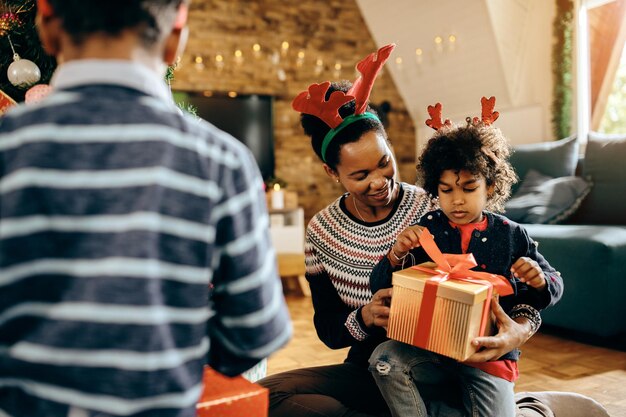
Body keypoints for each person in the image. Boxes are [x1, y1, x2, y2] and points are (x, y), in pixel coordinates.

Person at [0, 1, 291, 416]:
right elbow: (255, 332)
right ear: (176, 39)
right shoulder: (222, 161)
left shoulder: (7, 147)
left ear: (46, 30)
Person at [258, 45, 543, 417]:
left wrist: (519, 331)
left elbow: (511, 274)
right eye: (360, 176)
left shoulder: (435, 205)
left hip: (443, 362)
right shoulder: (322, 231)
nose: (379, 182)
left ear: (391, 147)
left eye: (384, 163)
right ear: (333, 173)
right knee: (266, 395)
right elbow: (328, 329)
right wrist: (364, 318)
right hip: (377, 364)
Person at [368, 98, 564, 417]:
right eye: (446, 191)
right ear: (436, 190)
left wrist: (539, 280)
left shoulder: (511, 234)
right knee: (384, 361)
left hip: (489, 358)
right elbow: (378, 286)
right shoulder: (426, 228)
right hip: (431, 352)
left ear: (490, 186)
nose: (457, 200)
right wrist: (395, 254)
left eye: (469, 188)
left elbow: (554, 285)